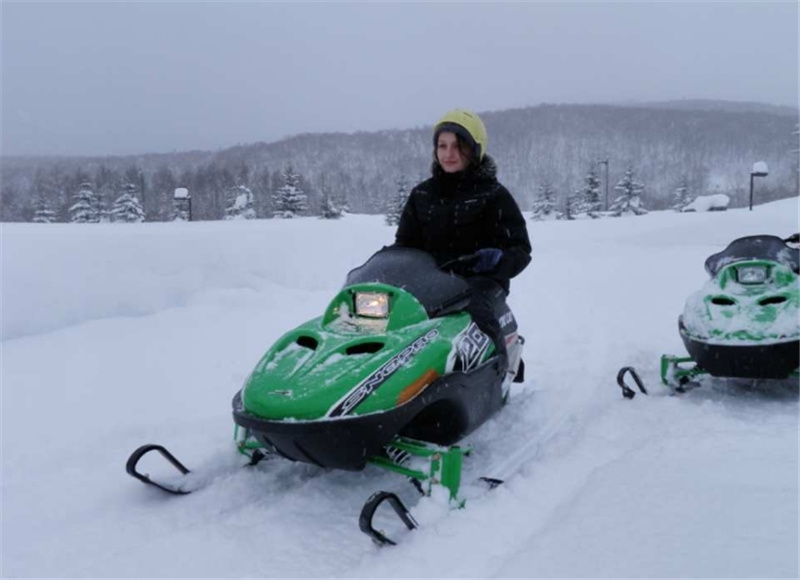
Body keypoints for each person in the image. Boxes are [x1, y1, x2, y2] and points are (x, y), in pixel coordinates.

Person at [394, 109, 532, 367]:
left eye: (458, 146)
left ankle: (497, 367)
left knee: (475, 312)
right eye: (442, 145)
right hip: (431, 281)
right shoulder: (422, 195)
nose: (448, 154)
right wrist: (391, 260)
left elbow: (521, 249)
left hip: (480, 281)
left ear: (475, 149)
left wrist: (497, 259)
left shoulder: (493, 195)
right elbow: (406, 244)